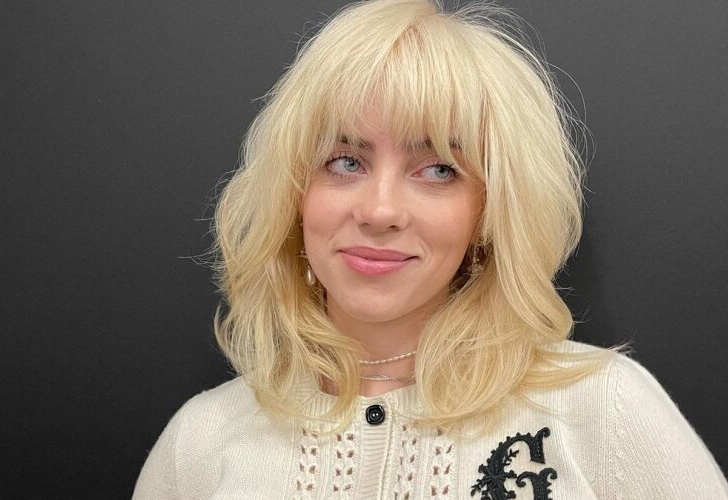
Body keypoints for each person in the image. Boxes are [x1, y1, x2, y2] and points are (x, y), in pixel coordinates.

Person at [133, 0, 727, 498]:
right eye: (345, 161)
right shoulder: (201, 442)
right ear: (295, 194)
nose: (380, 210)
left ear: (490, 211)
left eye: (439, 169)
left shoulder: (602, 410)